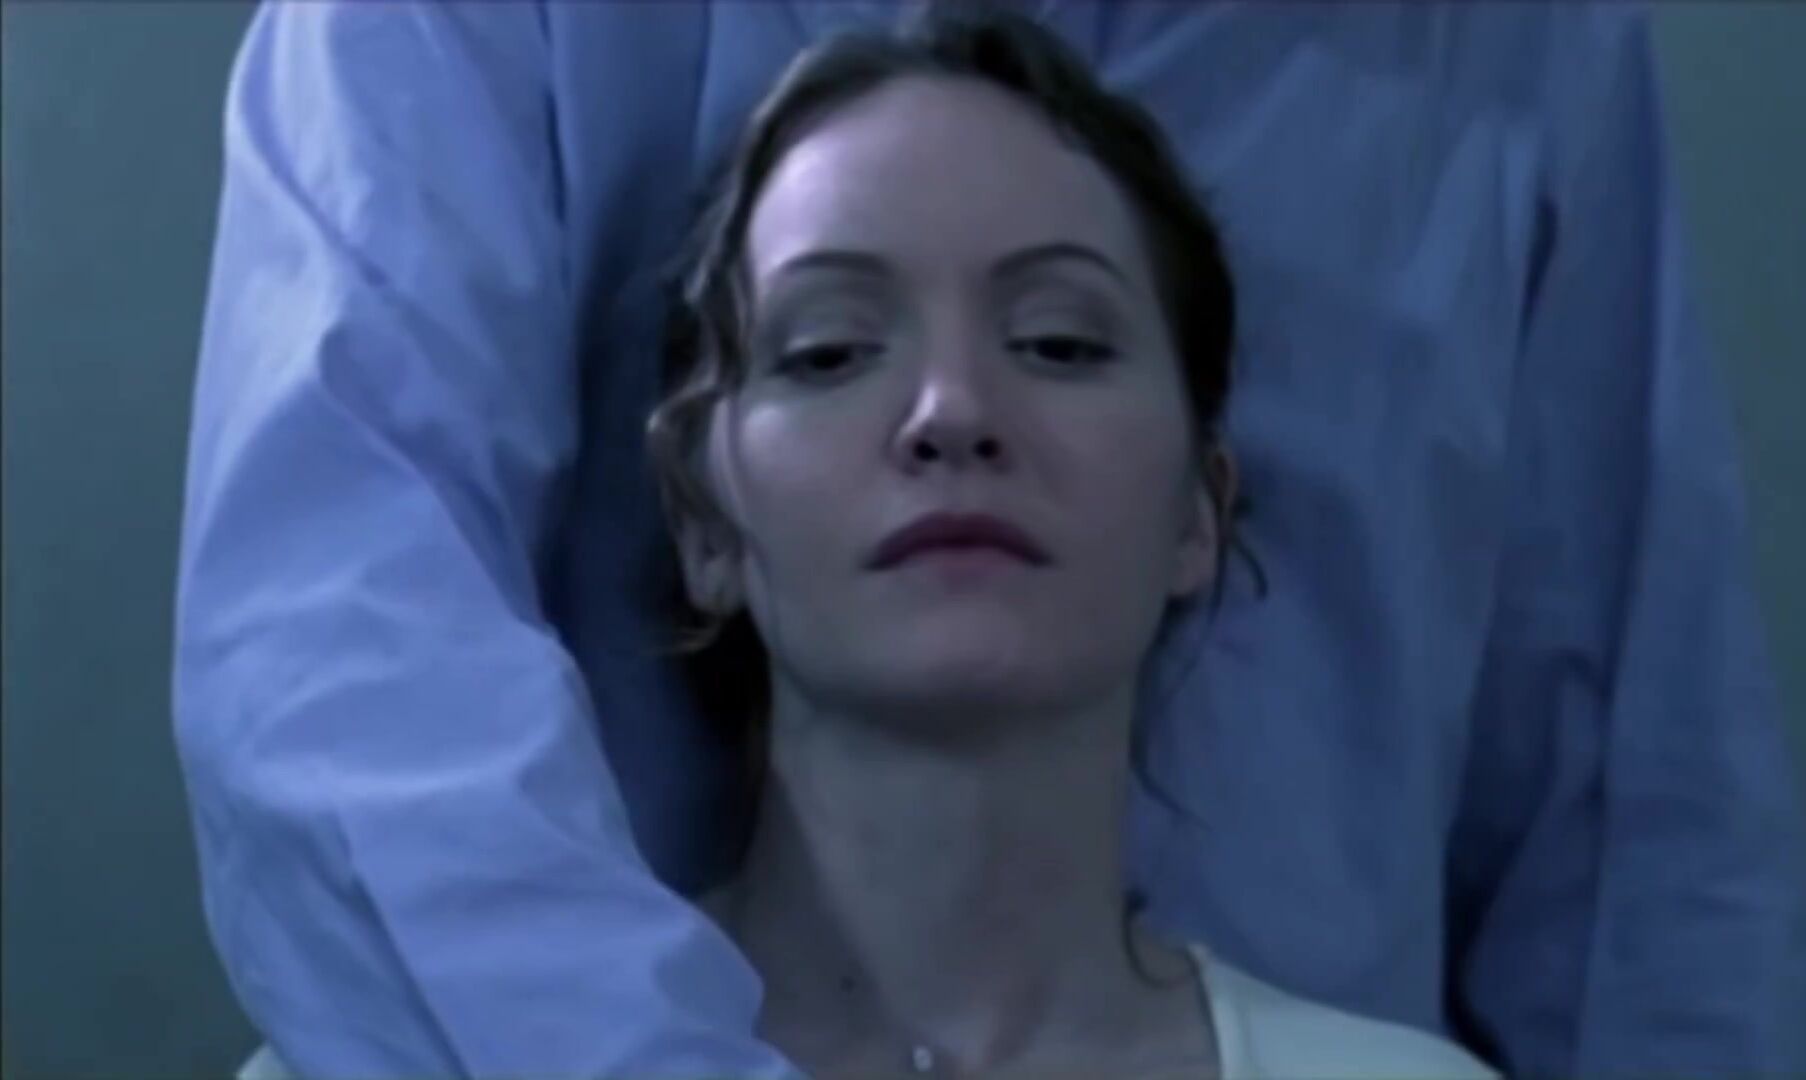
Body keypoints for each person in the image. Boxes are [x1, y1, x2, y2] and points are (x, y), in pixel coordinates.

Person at [178, 2, 1804, 1078]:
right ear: (699, 512)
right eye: (830, 351)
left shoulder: (1514, 43)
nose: (952, 413)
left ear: (1207, 507)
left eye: (1061, 344)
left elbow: (1633, 819)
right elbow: (339, 650)